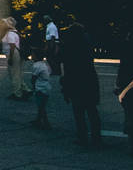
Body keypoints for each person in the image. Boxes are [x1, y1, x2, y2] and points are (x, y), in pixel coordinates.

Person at [59, 14, 102, 149]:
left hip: (75, 81)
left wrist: (65, 86)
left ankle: (82, 137)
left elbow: (66, 67)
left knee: (79, 111)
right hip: (89, 79)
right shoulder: (87, 45)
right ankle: (96, 138)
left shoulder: (69, 47)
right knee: (92, 111)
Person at [27, 45, 53, 130]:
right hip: (47, 86)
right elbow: (50, 71)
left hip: (40, 88)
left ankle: (46, 123)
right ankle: (38, 120)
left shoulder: (36, 66)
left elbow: (33, 78)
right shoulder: (45, 64)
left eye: (33, 55)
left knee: (41, 106)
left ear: (36, 56)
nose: (31, 56)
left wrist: (33, 86)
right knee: (42, 105)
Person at [2, 19, 26, 100]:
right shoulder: (15, 32)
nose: (3, 24)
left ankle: (17, 93)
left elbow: (12, 46)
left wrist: (11, 58)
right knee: (17, 73)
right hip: (16, 53)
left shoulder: (10, 34)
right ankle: (25, 89)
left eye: (4, 23)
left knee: (14, 74)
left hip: (13, 53)